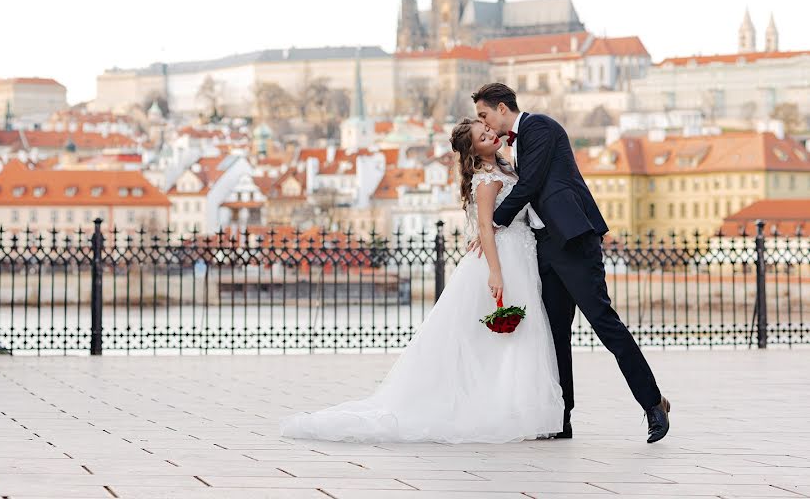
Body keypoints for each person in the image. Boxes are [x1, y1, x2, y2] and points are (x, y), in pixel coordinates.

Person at [280, 118, 564, 443]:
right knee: (504, 336)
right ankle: (501, 406)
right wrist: (495, 272)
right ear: (474, 151)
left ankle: (514, 404)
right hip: (504, 258)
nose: (490, 135)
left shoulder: (505, 168)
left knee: (514, 336)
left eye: (488, 131)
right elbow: (485, 226)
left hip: (519, 251)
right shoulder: (487, 180)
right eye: (483, 136)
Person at [471, 82, 670, 443]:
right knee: (555, 336)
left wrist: (494, 222)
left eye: (484, 114)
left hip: (573, 241)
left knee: (604, 324)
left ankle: (653, 403)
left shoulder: (539, 127)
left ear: (502, 109)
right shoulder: (508, 149)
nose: (483, 123)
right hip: (544, 246)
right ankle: (561, 418)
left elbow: (531, 184)